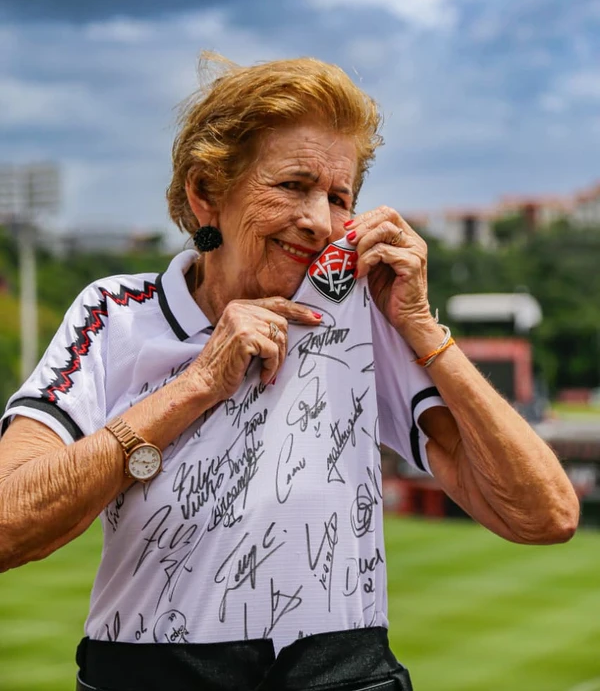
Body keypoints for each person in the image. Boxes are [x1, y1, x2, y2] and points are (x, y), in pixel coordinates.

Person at [0, 55, 579, 691]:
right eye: (293, 185)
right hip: (150, 674)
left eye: (339, 198)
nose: (319, 221)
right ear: (206, 193)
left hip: (341, 671)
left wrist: (420, 327)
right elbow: (8, 524)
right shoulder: (115, 314)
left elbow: (543, 515)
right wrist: (197, 385)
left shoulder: (357, 311)